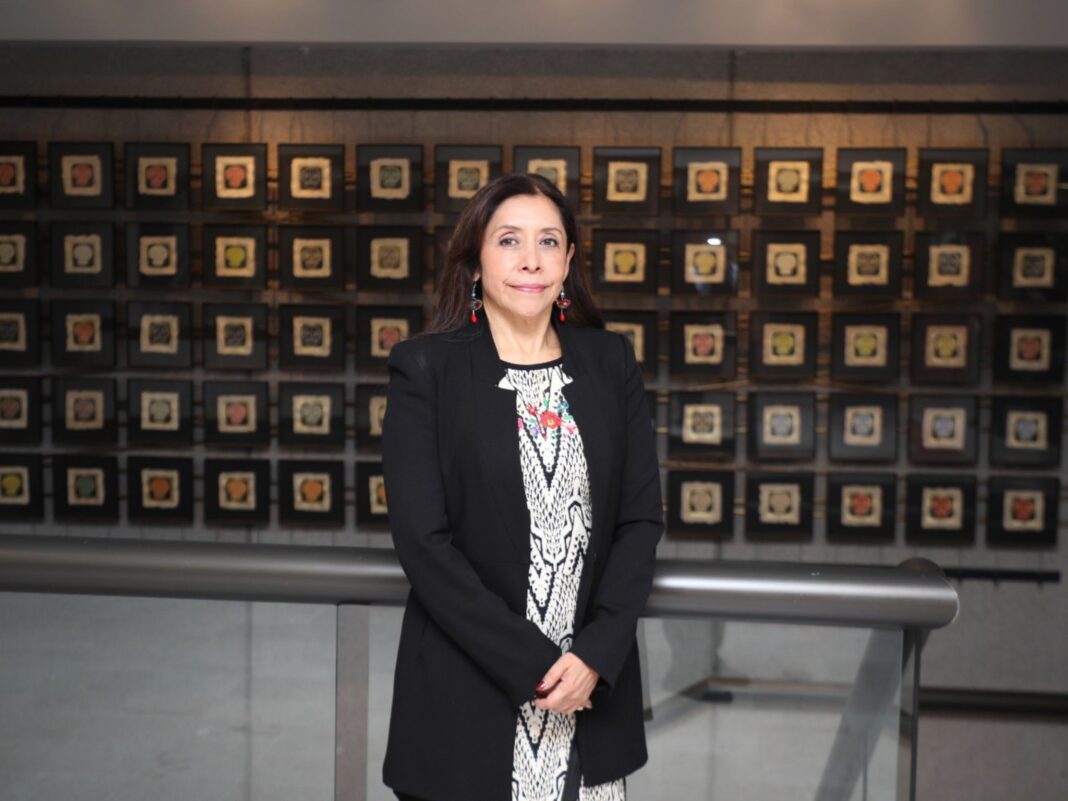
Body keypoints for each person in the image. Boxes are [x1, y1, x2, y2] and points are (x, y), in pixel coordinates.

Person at [381, 173, 664, 801]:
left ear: (569, 262)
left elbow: (640, 520)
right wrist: (536, 667)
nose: (530, 260)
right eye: (508, 240)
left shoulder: (610, 362)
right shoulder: (425, 369)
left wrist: (596, 654)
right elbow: (424, 544)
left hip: (591, 699)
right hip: (468, 697)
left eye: (548, 242)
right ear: (475, 263)